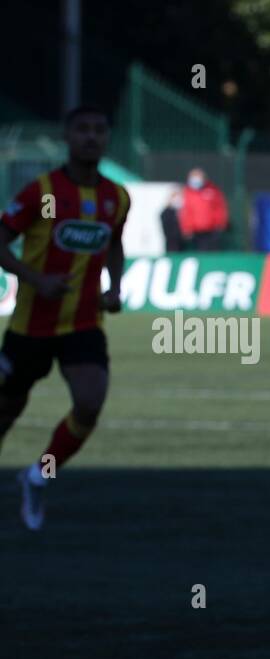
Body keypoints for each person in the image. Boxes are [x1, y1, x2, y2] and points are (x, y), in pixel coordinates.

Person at [0, 105, 129, 531]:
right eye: (83, 130)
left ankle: (39, 475)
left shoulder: (116, 197)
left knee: (89, 403)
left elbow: (114, 244)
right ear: (67, 137)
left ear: (107, 138)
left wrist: (113, 288)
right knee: (7, 412)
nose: (91, 137)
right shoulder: (43, 192)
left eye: (99, 130)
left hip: (83, 324)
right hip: (29, 328)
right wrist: (36, 278)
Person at [179, 168, 228, 250]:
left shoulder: (213, 190)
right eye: (193, 177)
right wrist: (186, 228)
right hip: (195, 232)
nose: (195, 180)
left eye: (198, 177)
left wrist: (220, 224)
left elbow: (220, 209)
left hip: (212, 230)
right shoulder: (186, 193)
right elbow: (186, 213)